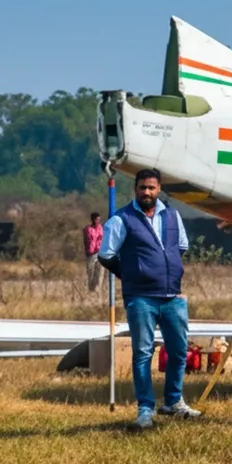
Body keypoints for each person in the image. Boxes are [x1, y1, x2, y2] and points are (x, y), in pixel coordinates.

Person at [98, 169, 199, 429]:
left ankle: (174, 402)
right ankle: (145, 409)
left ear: (159, 189)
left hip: (172, 297)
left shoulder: (173, 216)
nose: (147, 192)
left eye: (152, 188)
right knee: (143, 353)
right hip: (141, 298)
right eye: (142, 187)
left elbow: (182, 247)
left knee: (178, 351)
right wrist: (132, 275)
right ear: (135, 189)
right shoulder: (122, 219)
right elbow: (106, 255)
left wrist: (169, 273)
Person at [83, 212, 104, 291]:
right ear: (92, 220)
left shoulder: (100, 228)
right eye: (96, 219)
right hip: (91, 253)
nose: (97, 221)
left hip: (99, 252)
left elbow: (101, 239)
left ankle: (97, 289)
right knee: (90, 272)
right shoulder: (88, 229)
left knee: (99, 272)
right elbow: (88, 241)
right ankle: (90, 289)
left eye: (99, 219)